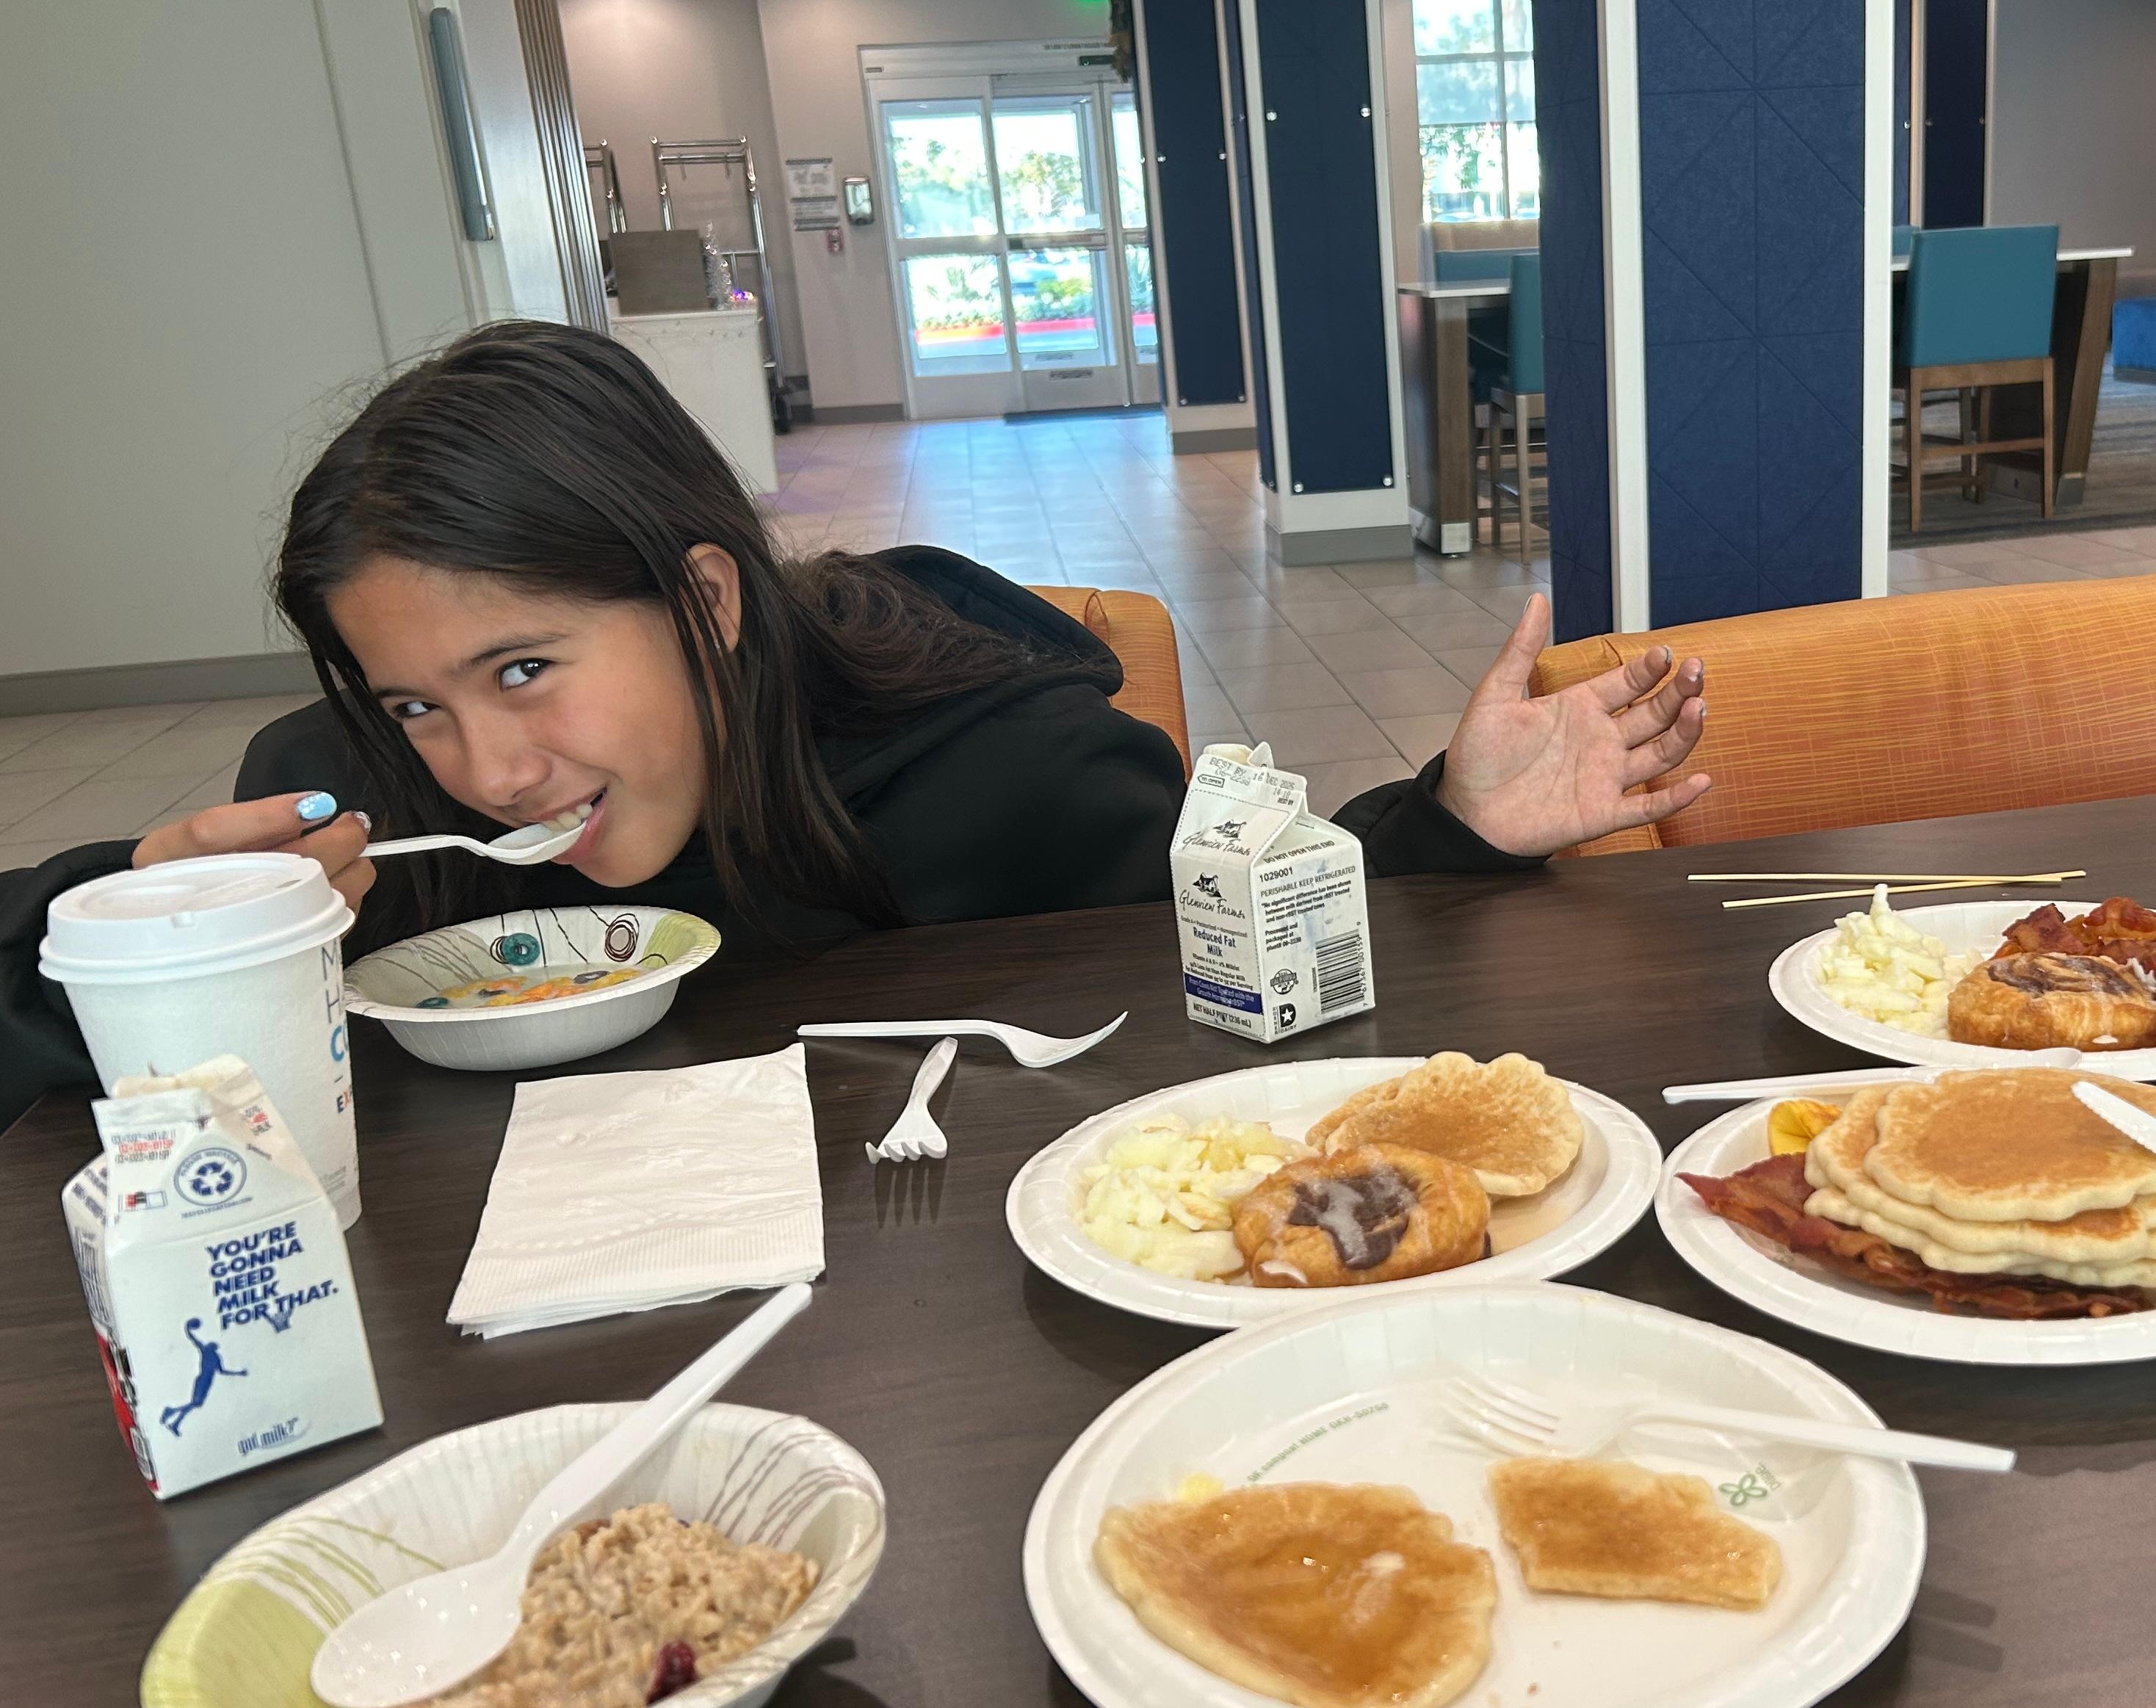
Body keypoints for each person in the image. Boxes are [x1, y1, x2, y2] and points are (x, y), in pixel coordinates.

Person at [0, 320, 1710, 1126]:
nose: (488, 771)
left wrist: (1450, 824)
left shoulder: (997, 773)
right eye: (412, 702)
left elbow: (1242, 952)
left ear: (707, 603)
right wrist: (136, 937)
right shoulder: (352, 826)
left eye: (525, 671)